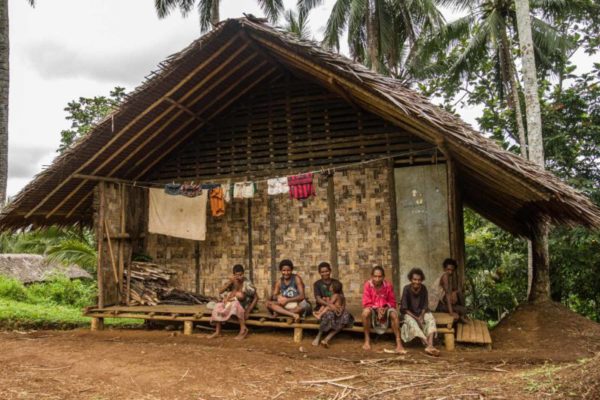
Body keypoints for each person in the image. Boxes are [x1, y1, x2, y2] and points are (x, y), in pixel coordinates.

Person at [361, 266, 406, 353]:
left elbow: (392, 302)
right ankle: (367, 340)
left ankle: (399, 342)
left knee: (394, 314)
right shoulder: (368, 285)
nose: (377, 279)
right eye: (375, 276)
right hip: (373, 308)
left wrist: (385, 308)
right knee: (365, 313)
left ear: (383, 277)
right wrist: (377, 309)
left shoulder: (388, 285)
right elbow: (366, 302)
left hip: (386, 308)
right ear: (371, 276)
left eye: (379, 276)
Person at [208, 264, 258, 340]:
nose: (238, 277)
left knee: (236, 303)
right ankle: (218, 332)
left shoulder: (247, 283)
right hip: (232, 303)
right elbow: (220, 291)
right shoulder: (233, 281)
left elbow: (256, 297)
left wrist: (248, 310)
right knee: (218, 306)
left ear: (243, 274)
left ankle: (243, 329)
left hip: (243, 305)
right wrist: (230, 282)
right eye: (236, 275)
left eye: (240, 275)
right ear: (233, 275)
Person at [311, 262, 354, 348]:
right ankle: (319, 335)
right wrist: (330, 305)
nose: (325, 273)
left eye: (326, 271)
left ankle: (327, 338)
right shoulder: (317, 284)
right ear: (319, 273)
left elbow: (342, 297)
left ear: (330, 271)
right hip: (323, 307)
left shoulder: (336, 283)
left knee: (346, 316)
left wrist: (342, 308)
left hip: (336, 307)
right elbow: (318, 299)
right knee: (329, 314)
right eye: (322, 272)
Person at [400, 268, 440, 356]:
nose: (417, 282)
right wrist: (417, 319)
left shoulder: (423, 288)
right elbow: (404, 309)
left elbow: (425, 305)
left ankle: (431, 344)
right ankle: (427, 344)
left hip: (421, 313)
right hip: (409, 313)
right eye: (414, 279)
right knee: (412, 322)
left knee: (430, 319)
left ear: (421, 280)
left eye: (419, 280)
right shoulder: (406, 289)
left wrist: (421, 316)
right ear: (411, 279)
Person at [429, 258, 468, 322]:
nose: (450, 272)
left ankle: (460, 316)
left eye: (452, 270)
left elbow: (449, 292)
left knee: (458, 293)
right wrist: (451, 312)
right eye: (448, 269)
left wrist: (455, 292)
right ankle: (460, 316)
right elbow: (447, 294)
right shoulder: (445, 276)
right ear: (444, 269)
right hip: (435, 306)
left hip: (439, 303)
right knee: (463, 310)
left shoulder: (445, 276)